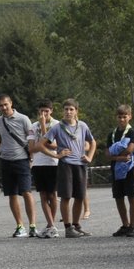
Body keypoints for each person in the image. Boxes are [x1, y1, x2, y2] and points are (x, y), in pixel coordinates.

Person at [0, 94, 36, 236]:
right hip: (6, 160)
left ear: (11, 103)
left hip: (22, 160)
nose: (3, 108)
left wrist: (31, 157)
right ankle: (20, 225)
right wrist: (0, 147)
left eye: (5, 104)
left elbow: (31, 137)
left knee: (26, 192)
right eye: (0, 105)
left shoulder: (23, 118)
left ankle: (33, 225)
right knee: (12, 194)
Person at [51, 99, 94, 238]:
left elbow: (92, 142)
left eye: (71, 109)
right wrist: (57, 155)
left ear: (76, 111)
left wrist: (90, 157)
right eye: (66, 109)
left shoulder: (82, 125)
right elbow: (42, 144)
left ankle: (76, 225)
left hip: (80, 164)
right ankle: (68, 227)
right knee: (66, 196)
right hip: (66, 165)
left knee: (80, 196)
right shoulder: (58, 127)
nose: (68, 112)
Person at [28, 103, 61, 238]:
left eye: (46, 111)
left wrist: (43, 128)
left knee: (52, 194)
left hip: (53, 163)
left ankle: (51, 225)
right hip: (38, 163)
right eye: (41, 111)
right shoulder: (33, 126)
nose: (44, 114)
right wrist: (42, 146)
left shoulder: (57, 125)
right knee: (43, 195)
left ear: (51, 111)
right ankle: (51, 225)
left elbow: (54, 145)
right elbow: (31, 148)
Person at [108, 106, 134, 237]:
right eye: (119, 117)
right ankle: (125, 224)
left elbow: (130, 149)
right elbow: (107, 153)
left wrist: (116, 153)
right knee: (119, 197)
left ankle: (132, 226)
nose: (121, 119)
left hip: (129, 169)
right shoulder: (112, 134)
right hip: (116, 168)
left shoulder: (132, 132)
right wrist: (118, 157)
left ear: (129, 116)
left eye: (124, 116)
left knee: (131, 196)